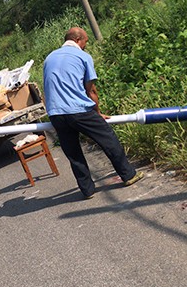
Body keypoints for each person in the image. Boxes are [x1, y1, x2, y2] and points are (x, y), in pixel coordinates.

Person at [42, 27, 144, 199]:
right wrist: (97, 112)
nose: (85, 45)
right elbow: (91, 90)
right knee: (108, 139)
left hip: (55, 113)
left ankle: (87, 190)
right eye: (85, 42)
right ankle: (128, 175)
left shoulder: (49, 58)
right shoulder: (83, 56)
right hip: (78, 110)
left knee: (74, 154)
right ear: (78, 40)